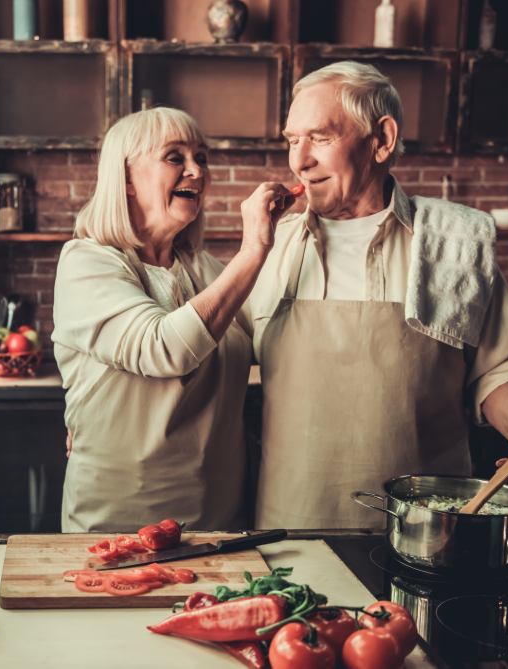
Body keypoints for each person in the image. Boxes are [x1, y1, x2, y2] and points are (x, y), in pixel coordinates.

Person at [249, 61, 508, 529]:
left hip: (428, 527)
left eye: (319, 137)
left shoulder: (454, 243)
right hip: (290, 518)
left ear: (381, 139)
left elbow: (500, 364)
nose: (299, 160)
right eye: (291, 140)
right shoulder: (267, 249)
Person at [52, 108, 295, 532]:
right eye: (175, 157)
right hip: (121, 520)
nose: (196, 171)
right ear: (126, 178)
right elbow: (164, 349)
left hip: (221, 516)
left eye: (201, 158)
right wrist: (254, 247)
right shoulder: (86, 262)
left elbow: (277, 340)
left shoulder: (205, 271)